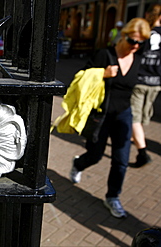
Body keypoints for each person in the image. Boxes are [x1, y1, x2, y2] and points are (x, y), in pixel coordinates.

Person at [69, 18, 151, 218]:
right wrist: (102, 74)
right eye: (133, 41)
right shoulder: (105, 54)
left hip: (124, 114)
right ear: (123, 35)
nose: (136, 46)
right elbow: (80, 77)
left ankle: (112, 197)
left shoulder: (139, 59)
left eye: (141, 43)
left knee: (121, 161)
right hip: (101, 115)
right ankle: (78, 164)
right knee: (95, 155)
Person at [130, 4, 161, 168]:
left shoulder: (144, 31)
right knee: (141, 116)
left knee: (135, 117)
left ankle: (142, 152)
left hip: (140, 80)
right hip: (156, 82)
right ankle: (136, 136)